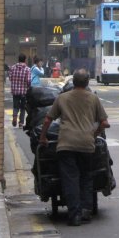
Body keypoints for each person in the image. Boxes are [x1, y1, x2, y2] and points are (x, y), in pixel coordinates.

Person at [39, 69, 109, 227]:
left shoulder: (62, 98)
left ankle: (74, 215)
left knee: (70, 179)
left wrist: (43, 137)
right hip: (86, 144)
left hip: (66, 144)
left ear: (73, 82)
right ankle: (86, 210)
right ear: (87, 82)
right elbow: (104, 123)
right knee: (86, 177)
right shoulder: (93, 98)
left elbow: (47, 120)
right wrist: (94, 133)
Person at [8, 53, 32, 128]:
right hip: (24, 92)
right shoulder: (27, 69)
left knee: (15, 106)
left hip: (15, 91)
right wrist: (28, 87)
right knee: (23, 107)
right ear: (25, 60)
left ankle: (15, 116)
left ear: (18, 59)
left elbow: (10, 78)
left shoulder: (12, 68)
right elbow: (28, 81)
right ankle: (21, 123)